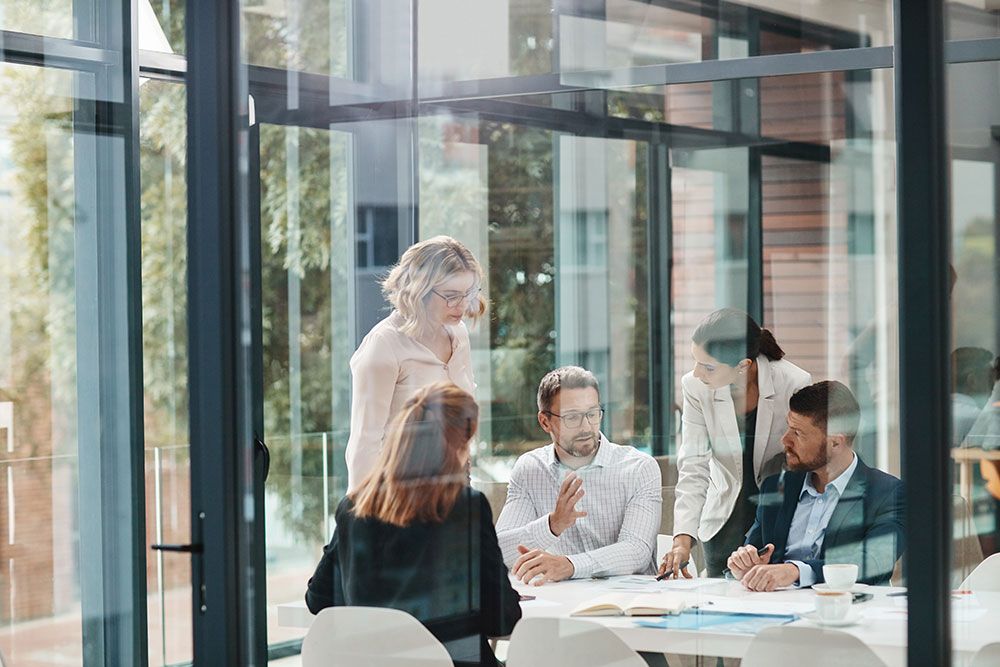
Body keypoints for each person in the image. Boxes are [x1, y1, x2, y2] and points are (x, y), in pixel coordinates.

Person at [305, 382, 520, 667]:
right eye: (468, 444)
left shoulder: (354, 507)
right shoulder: (465, 506)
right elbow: (502, 618)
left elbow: (318, 599)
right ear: (458, 444)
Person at [661, 308, 811, 579]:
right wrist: (681, 541)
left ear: (743, 366)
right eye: (695, 361)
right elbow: (693, 465)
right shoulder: (695, 387)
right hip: (724, 521)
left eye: (707, 366)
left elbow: (802, 459)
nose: (696, 373)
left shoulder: (793, 382)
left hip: (776, 517)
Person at [726, 380, 904, 591]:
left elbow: (871, 564)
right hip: (776, 610)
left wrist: (796, 571)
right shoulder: (776, 486)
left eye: (798, 433)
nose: (785, 440)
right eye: (788, 429)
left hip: (846, 612)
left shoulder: (889, 493)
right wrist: (743, 565)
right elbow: (755, 551)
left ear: (835, 442)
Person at [345, 235, 487, 492]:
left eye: (468, 293)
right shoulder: (383, 345)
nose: (463, 305)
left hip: (454, 484)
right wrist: (361, 522)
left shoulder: (458, 334)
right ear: (419, 290)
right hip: (403, 492)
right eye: (451, 295)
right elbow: (364, 444)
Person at [495, 366, 661, 584]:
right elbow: (500, 552)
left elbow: (636, 552)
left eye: (592, 414)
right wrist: (552, 526)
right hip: (562, 604)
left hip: (629, 605)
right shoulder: (530, 469)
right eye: (572, 417)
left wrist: (570, 565)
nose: (586, 427)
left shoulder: (639, 468)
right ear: (545, 422)